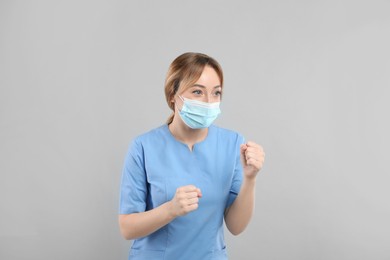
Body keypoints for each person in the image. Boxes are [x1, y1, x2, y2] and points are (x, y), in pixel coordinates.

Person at [118, 52, 265, 260]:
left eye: (216, 93)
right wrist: (170, 209)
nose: (208, 102)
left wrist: (250, 178)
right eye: (197, 92)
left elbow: (236, 226)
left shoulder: (233, 144)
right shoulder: (143, 147)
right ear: (172, 95)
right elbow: (127, 228)